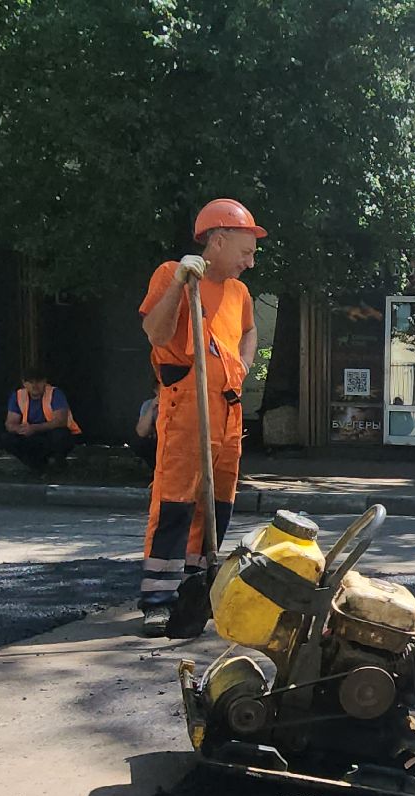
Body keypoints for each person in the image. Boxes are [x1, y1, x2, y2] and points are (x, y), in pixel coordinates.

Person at [135, 198, 264, 637]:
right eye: (245, 251)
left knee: (218, 502)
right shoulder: (174, 274)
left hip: (227, 405)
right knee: (176, 499)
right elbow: (155, 332)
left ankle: (192, 589)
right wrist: (178, 283)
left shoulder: (239, 293)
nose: (250, 261)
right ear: (219, 241)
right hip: (188, 402)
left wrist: (244, 366)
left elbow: (249, 331)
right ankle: (157, 599)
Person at [0, 373, 80, 474]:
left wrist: (34, 428)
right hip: (31, 435)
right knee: (7, 438)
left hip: (50, 434)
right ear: (24, 383)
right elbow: (10, 423)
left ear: (45, 382)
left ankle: (58, 462)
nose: (34, 386)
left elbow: (60, 421)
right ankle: (36, 465)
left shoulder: (55, 394)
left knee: (61, 435)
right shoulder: (18, 396)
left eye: (38, 382)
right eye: (30, 382)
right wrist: (19, 429)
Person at [129, 397, 159, 470]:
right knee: (139, 443)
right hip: (157, 441)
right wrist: (152, 408)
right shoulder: (149, 404)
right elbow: (141, 432)